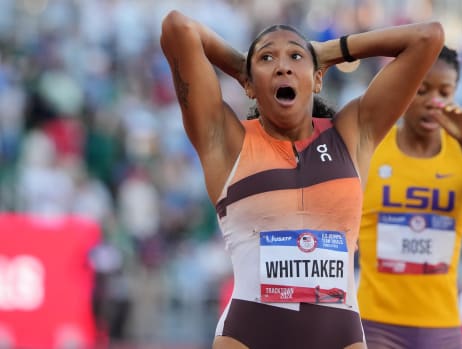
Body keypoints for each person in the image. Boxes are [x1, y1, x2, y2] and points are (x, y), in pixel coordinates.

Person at [160, 9, 444, 349]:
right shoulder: (226, 141)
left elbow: (429, 37)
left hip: (341, 337)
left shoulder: (353, 134)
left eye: (295, 56)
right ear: (249, 85)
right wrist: (241, 66)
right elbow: (179, 27)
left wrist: (329, 50)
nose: (282, 66)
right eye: (267, 58)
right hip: (248, 337)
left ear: (318, 78)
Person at [357, 46, 462, 349]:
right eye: (421, 91)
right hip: (375, 325)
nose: (433, 102)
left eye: (444, 92)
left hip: (441, 327)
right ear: (404, 91)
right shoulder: (372, 146)